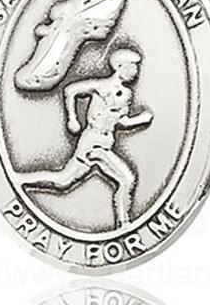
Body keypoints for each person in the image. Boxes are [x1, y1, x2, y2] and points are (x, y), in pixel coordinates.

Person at [19, 48, 153, 228]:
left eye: (136, 67)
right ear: (119, 67)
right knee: (126, 179)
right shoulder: (101, 86)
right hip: (93, 144)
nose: (135, 71)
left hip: (105, 142)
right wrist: (72, 119)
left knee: (63, 181)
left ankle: (22, 180)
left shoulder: (126, 95)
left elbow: (122, 122)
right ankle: (124, 223)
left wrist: (141, 120)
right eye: (131, 67)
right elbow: (70, 90)